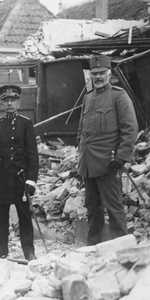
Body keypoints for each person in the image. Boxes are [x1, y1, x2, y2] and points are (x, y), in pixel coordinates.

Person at [77, 55, 138, 246]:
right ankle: (93, 248)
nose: (97, 77)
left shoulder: (118, 96)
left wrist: (121, 157)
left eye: (101, 73)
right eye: (94, 74)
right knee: (92, 208)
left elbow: (130, 128)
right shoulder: (88, 98)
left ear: (109, 74)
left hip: (108, 164)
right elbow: (82, 131)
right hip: (88, 165)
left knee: (114, 208)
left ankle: (121, 250)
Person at [0, 85, 39, 261]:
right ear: (1, 103)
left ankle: (28, 250)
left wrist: (31, 180)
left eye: (13, 100)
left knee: (24, 215)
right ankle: (1, 249)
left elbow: (32, 154)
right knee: (1, 215)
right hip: (2, 178)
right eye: (6, 100)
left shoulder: (25, 124)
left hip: (20, 177)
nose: (9, 103)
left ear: (19, 103)